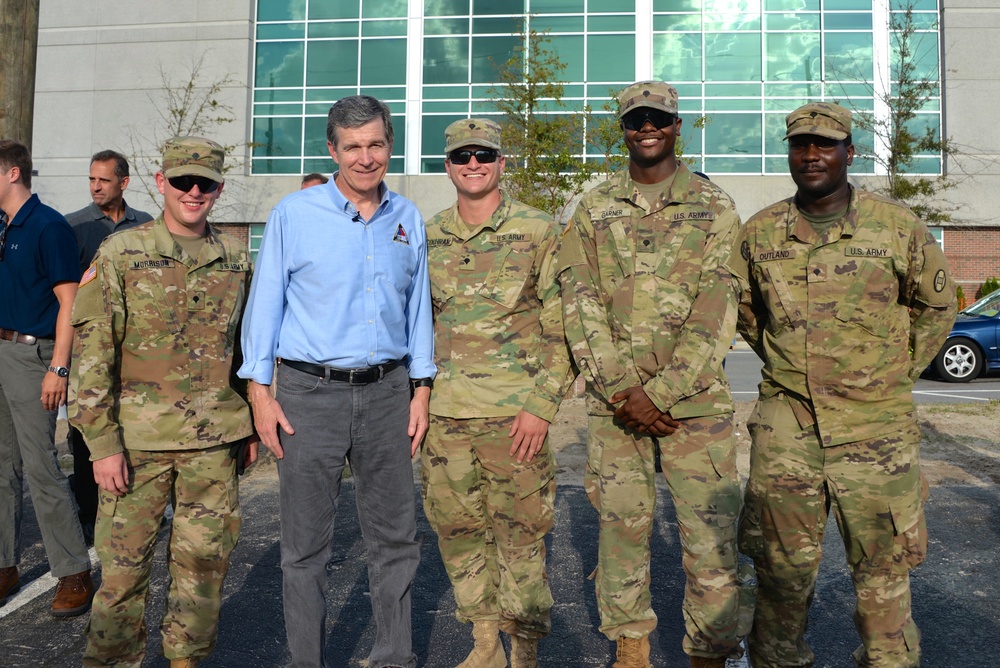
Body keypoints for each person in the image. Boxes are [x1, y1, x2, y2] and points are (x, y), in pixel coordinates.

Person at [726, 102, 957, 668]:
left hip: (876, 433)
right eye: (800, 145)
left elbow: (937, 306)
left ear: (849, 153)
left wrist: (893, 373)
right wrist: (792, 366)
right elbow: (746, 313)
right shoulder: (759, 234)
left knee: (883, 580)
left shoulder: (897, 227)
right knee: (781, 579)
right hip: (788, 433)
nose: (811, 156)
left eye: (825, 145)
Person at [556, 82, 750, 668]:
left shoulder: (715, 207)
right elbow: (578, 300)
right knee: (621, 534)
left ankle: (711, 653)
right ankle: (631, 648)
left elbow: (721, 307)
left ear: (676, 125)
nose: (647, 127)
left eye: (658, 118)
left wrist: (660, 392)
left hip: (696, 408)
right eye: (636, 118)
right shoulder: (593, 208)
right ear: (623, 127)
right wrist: (623, 391)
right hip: (616, 408)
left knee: (712, 541)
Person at [239, 95, 435, 668]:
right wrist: (260, 394)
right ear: (332, 151)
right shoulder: (293, 215)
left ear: (389, 146)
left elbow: (418, 307)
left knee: (396, 541)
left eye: (376, 144)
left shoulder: (407, 218)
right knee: (305, 549)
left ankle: (393, 656)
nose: (366, 157)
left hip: (387, 394)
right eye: (353, 146)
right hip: (308, 395)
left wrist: (420, 388)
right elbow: (265, 306)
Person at [69, 136, 256, 668]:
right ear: (161, 182)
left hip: (212, 447)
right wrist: (101, 444)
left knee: (203, 575)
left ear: (219, 188)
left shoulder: (236, 259)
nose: (193, 192)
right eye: (183, 181)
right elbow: (93, 351)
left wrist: (246, 429)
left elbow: (244, 348)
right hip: (135, 446)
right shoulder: (122, 253)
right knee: (123, 577)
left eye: (206, 183)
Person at [422, 119, 574, 668]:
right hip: (447, 417)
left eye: (484, 154)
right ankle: (484, 642)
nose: (473, 164)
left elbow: (566, 327)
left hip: (516, 418)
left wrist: (542, 406)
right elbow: (416, 324)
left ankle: (524, 648)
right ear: (448, 166)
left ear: (501, 162)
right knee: (458, 532)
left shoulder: (539, 230)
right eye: (461, 155)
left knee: (521, 534)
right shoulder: (429, 233)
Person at [0, 139, 94, 616]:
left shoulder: (49, 225)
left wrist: (59, 366)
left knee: (41, 469)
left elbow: (69, 302)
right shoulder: (3, 225)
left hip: (31, 355)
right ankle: (4, 565)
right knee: (0, 468)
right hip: (0, 351)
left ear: (12, 173)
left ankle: (73, 570)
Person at [64, 149, 154, 543]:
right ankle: (88, 513)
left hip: (135, 352)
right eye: (91, 179)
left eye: (103, 180)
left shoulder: (147, 226)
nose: (95, 187)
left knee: (132, 429)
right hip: (88, 349)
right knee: (86, 433)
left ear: (124, 182)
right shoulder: (74, 227)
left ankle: (132, 503)